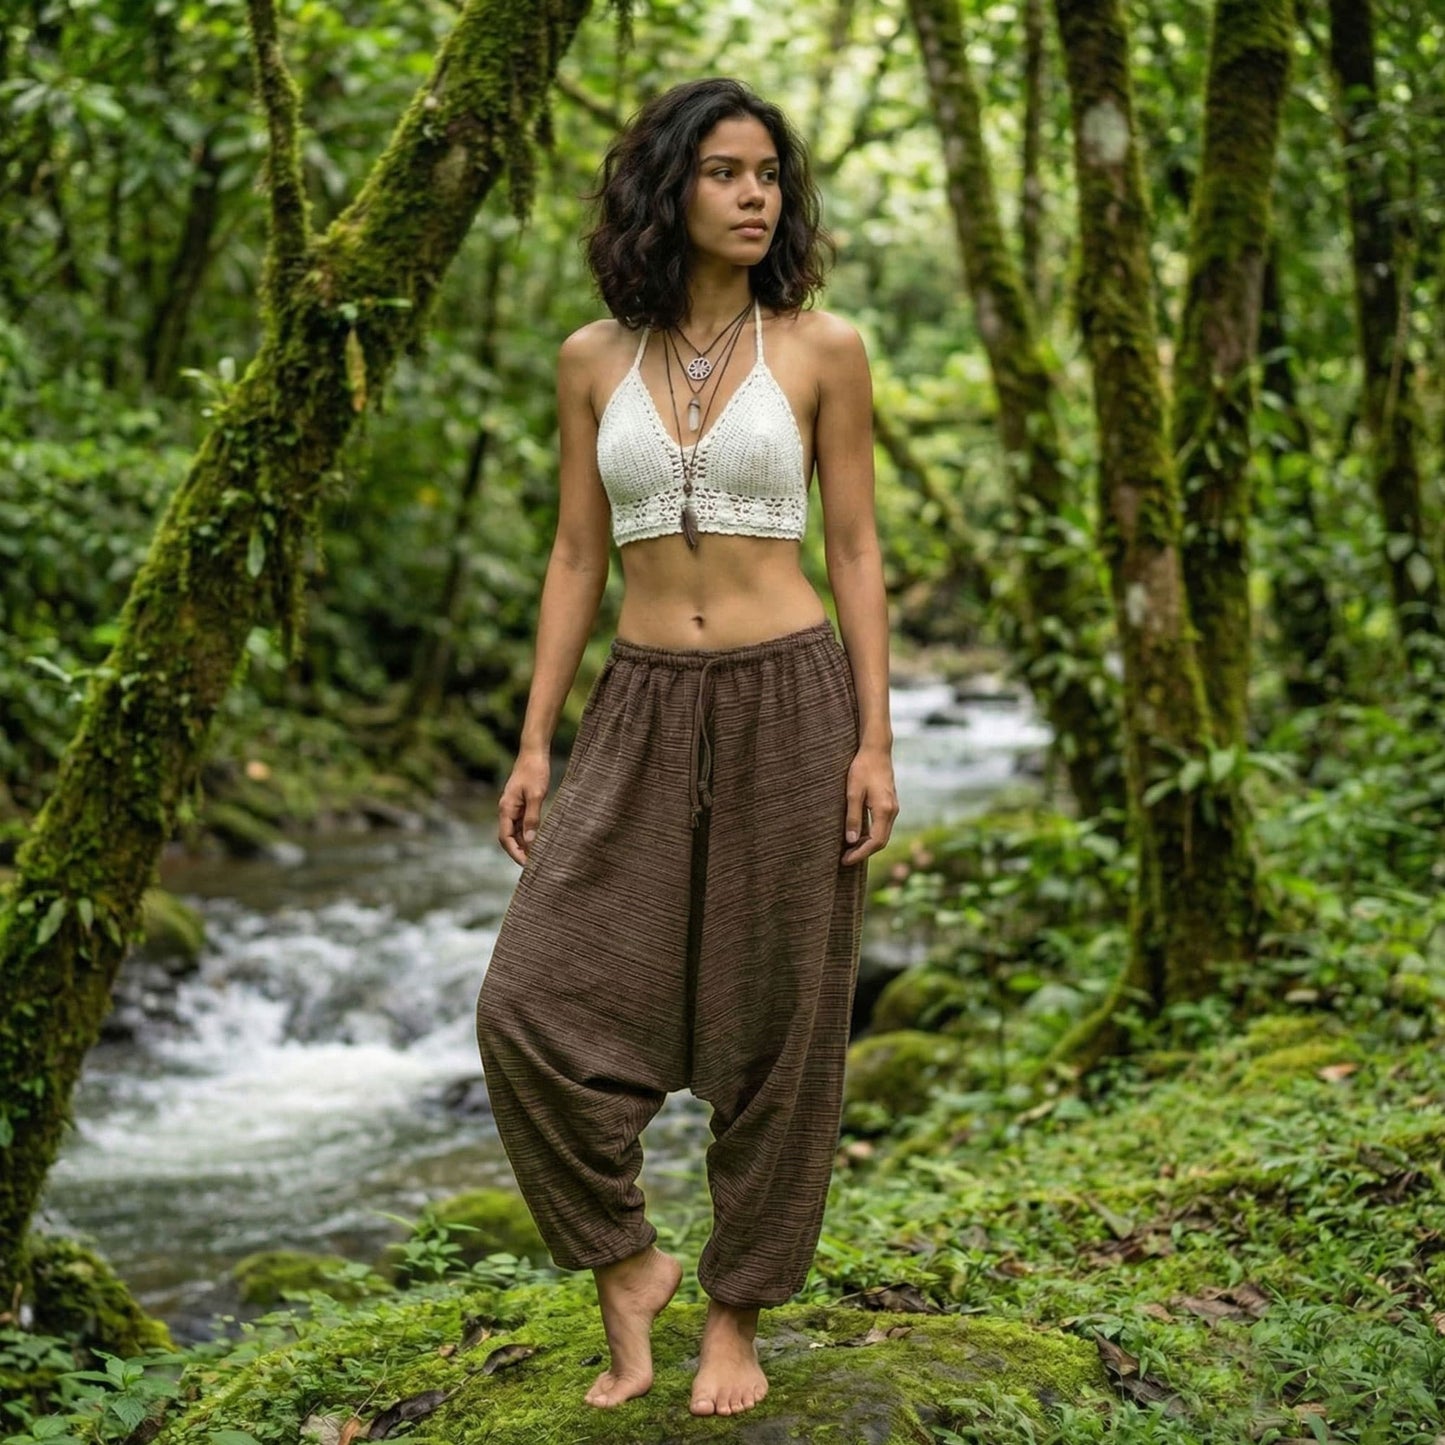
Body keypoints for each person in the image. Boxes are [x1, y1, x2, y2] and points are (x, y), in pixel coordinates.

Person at [474, 76, 897, 1419]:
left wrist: (874, 740)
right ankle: (628, 1263)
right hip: (641, 703)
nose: (755, 194)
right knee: (528, 1000)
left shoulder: (822, 347)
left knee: (779, 1018)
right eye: (723, 171)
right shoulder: (592, 358)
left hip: (790, 695)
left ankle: (735, 1312)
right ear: (667, 186)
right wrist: (536, 737)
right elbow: (574, 552)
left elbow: (854, 550)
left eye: (769, 171)